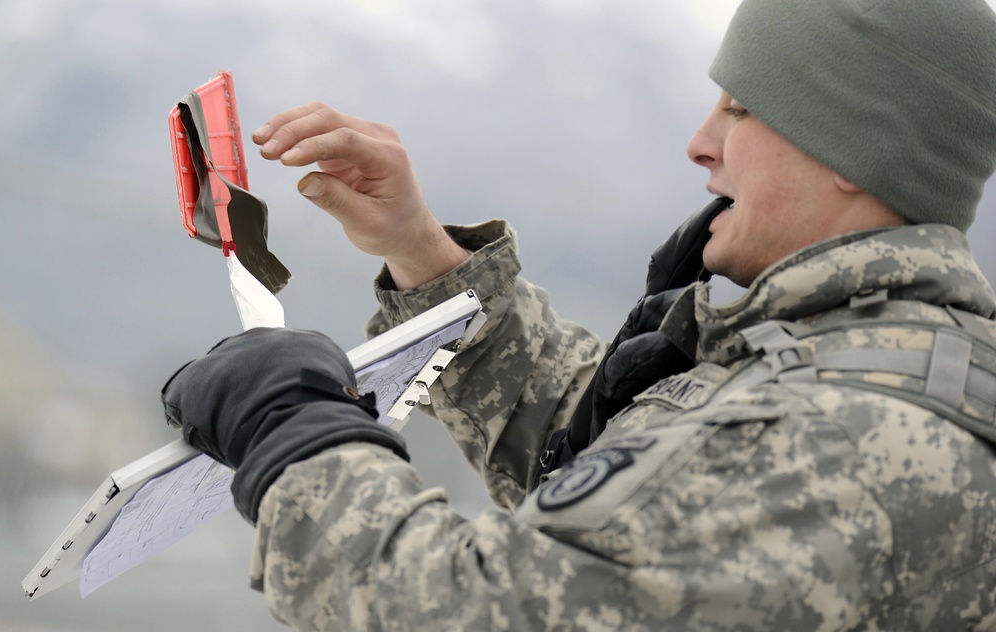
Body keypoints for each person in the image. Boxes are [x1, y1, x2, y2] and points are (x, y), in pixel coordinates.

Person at [161, 0, 996, 629]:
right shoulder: (875, 364)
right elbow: (606, 477)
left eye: (741, 109)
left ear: (855, 146)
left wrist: (292, 431)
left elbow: (470, 607)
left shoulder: (836, 436)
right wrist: (420, 249)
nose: (702, 142)